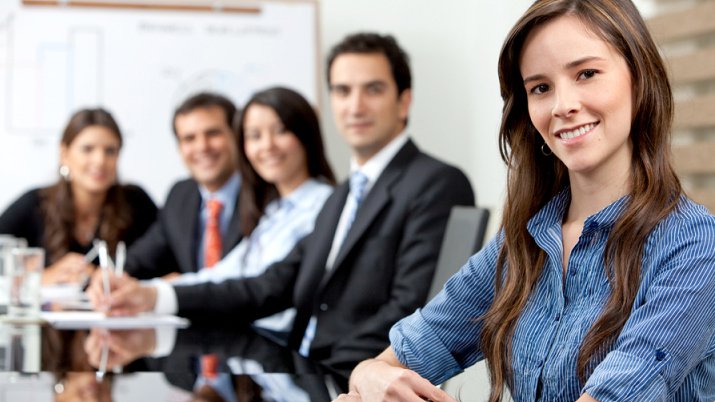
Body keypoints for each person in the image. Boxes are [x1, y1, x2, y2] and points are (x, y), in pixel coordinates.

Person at [338, 1, 715, 401]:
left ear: (639, 79)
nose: (562, 105)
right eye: (540, 87)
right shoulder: (524, 242)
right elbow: (402, 355)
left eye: (586, 74)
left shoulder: (695, 247)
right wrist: (370, 374)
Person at [92, 32, 475, 372]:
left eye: (373, 89)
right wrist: (155, 296)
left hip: (347, 375)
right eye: (342, 91)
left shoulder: (436, 183)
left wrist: (325, 373)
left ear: (403, 102)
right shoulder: (344, 194)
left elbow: (413, 312)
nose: (355, 106)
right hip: (296, 368)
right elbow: (269, 286)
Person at [122, 86, 336, 335]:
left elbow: (265, 287)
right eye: (254, 135)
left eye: (280, 131)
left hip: (290, 347)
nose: (267, 146)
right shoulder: (274, 210)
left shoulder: (327, 206)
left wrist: (159, 294)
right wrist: (144, 290)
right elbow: (226, 272)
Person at [0, 108, 157, 285]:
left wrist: (99, 277)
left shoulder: (136, 203)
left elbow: (166, 263)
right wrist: (41, 277)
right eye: (87, 149)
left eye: (110, 151)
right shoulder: (35, 203)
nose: (100, 160)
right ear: (64, 154)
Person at [123, 92, 243, 279]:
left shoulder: (263, 194)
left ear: (236, 136)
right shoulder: (180, 195)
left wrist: (177, 290)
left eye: (213, 133)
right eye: (189, 138)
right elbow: (139, 261)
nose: (202, 147)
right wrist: (106, 278)